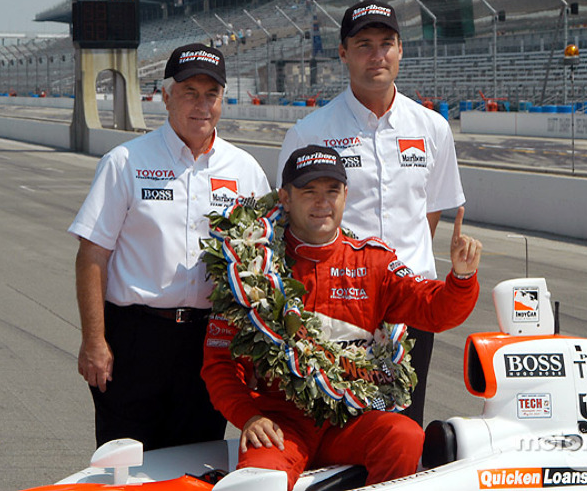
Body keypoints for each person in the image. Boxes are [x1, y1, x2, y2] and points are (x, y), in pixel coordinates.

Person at [203, 145, 481, 489]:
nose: (323, 202)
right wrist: (249, 416)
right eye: (310, 192)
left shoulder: (374, 262)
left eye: (332, 191)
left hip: (350, 420)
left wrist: (462, 278)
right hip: (281, 424)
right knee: (260, 479)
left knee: (405, 436)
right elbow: (219, 365)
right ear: (285, 198)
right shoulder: (249, 268)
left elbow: (435, 311)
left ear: (346, 195)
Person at [68, 43, 271, 451]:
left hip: (211, 341)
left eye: (211, 94)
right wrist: (94, 340)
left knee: (196, 461)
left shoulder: (245, 169)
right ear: (165, 96)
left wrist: (255, 353)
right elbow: (92, 256)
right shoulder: (125, 161)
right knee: (123, 465)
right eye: (189, 92)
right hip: (134, 340)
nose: (202, 105)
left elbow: (265, 267)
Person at [276, 0, 465, 426]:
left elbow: (431, 212)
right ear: (343, 53)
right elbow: (290, 219)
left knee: (404, 427)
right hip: (339, 303)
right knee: (336, 427)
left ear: (400, 50)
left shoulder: (432, 127)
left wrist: (399, 274)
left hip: (412, 302)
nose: (376, 55)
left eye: (386, 43)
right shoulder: (311, 132)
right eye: (364, 45)